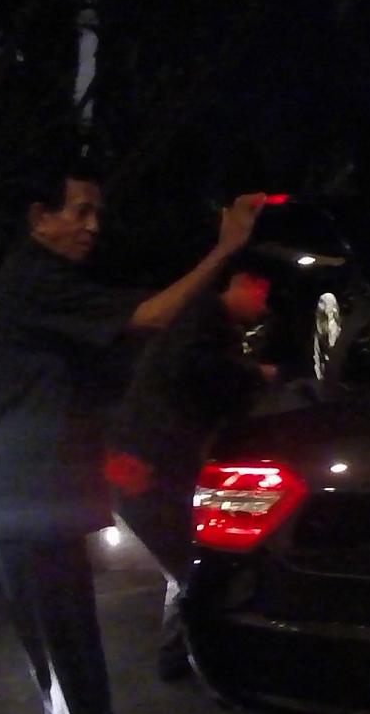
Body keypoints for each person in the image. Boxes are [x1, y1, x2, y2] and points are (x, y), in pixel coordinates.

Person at [0, 163, 263, 714]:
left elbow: (73, 388)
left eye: (95, 213)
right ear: (37, 216)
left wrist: (112, 458)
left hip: (38, 505)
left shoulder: (46, 285)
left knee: (66, 664)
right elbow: (151, 317)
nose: (91, 225)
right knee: (68, 666)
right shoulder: (33, 279)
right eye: (77, 211)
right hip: (30, 511)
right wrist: (224, 248)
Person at [105, 253, 278, 682]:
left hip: (149, 464)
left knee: (187, 562)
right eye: (264, 295)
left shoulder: (205, 323)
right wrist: (255, 373)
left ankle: (178, 656)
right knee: (190, 565)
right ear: (242, 282)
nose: (265, 307)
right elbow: (197, 371)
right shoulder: (203, 316)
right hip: (148, 465)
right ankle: (206, 663)